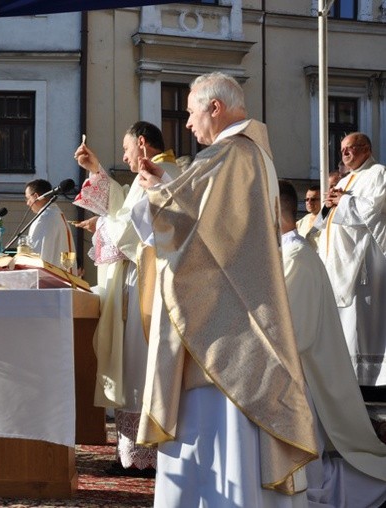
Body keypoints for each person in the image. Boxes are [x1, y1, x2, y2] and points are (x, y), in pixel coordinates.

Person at [131, 72, 316, 505]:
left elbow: (182, 228)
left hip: (224, 328)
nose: (190, 124)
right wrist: (166, 187)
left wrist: (156, 190)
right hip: (237, 314)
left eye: (193, 112)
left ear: (215, 107)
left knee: (215, 431)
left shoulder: (229, 154)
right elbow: (215, 231)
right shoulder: (252, 154)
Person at [73, 121, 180, 476]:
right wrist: (97, 172)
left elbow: (128, 230)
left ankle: (143, 458)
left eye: (126, 148)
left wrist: (102, 225)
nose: (124, 155)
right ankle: (135, 454)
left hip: (150, 284)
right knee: (136, 364)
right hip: (142, 279)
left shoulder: (162, 173)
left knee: (139, 363)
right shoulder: (151, 173)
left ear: (143, 144)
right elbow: (124, 213)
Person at [278, 180, 386, 507]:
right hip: (293, 377)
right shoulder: (284, 254)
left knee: (311, 475)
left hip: (302, 380)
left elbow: (290, 333)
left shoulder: (296, 257)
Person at [315, 132, 386, 387]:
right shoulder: (347, 179)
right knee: (343, 325)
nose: (344, 154)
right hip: (339, 262)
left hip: (362, 263)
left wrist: (344, 201)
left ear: (365, 149)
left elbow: (374, 211)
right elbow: (324, 223)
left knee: (360, 322)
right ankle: (345, 379)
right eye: (342, 149)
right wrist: (328, 205)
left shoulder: (378, 173)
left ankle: (367, 384)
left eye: (349, 149)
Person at [24, 179, 76, 270]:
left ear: (36, 196)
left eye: (28, 198)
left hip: (49, 280)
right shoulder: (56, 214)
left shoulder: (44, 219)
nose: (27, 203)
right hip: (62, 277)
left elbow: (36, 255)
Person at [296, 185, 321, 250]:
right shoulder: (302, 221)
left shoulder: (329, 219)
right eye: (307, 199)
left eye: (313, 199)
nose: (309, 202)